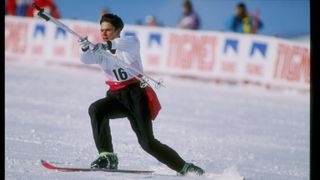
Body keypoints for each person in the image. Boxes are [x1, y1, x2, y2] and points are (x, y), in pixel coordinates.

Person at [78, 13, 205, 176]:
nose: (103, 34)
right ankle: (107, 156)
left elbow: (122, 44)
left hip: (136, 96)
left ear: (118, 30)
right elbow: (86, 59)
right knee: (96, 109)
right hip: (115, 96)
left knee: (147, 143)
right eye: (101, 30)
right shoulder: (101, 52)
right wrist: (84, 48)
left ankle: (184, 167)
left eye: (108, 30)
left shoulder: (130, 43)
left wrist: (107, 45)